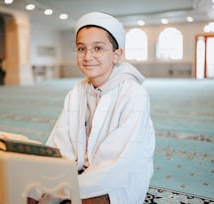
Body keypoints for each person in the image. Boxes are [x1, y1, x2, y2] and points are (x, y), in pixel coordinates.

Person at [28, 11, 155, 204]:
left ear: (116, 54)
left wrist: (69, 189)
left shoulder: (134, 95)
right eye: (81, 49)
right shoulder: (77, 92)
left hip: (118, 178)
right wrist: (47, 183)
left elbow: (118, 162)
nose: (88, 56)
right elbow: (60, 144)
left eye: (98, 48)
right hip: (79, 172)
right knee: (27, 189)